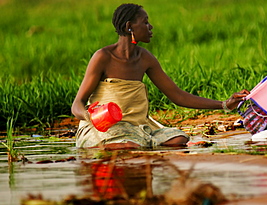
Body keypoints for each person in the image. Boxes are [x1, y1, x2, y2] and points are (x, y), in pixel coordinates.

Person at [71, 3, 249, 149]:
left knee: (179, 139)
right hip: (103, 127)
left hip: (135, 127)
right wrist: (90, 117)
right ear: (129, 26)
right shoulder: (103, 57)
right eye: (145, 22)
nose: (150, 27)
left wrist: (225, 105)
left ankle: (136, 144)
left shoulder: (145, 58)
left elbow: (177, 96)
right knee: (130, 146)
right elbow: (77, 104)